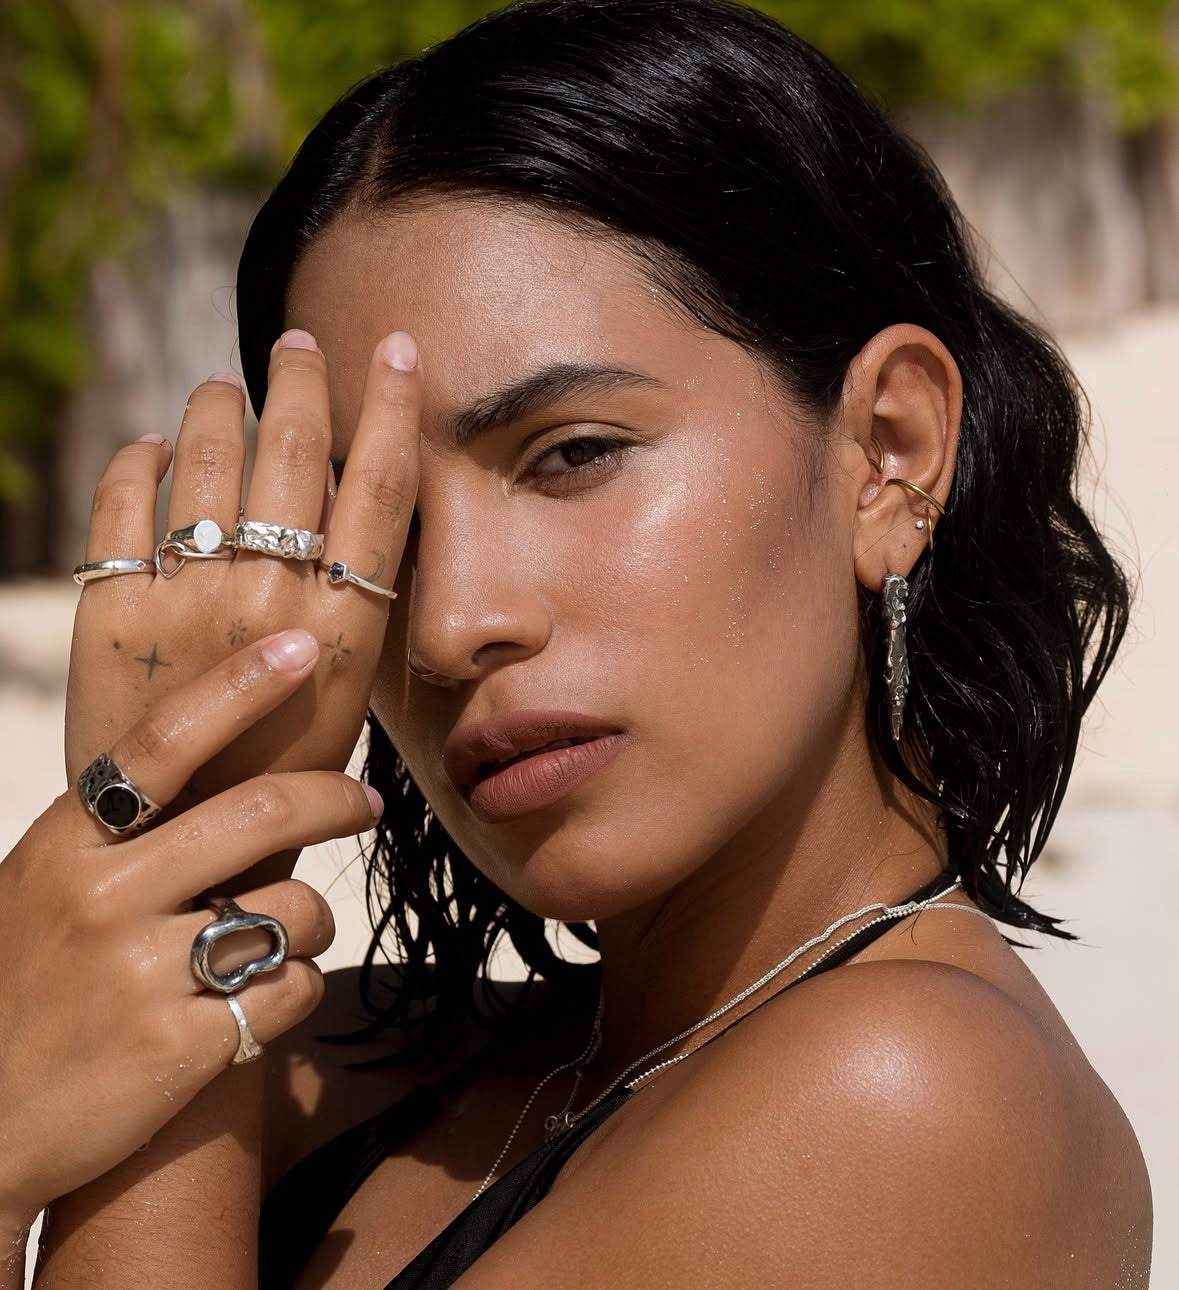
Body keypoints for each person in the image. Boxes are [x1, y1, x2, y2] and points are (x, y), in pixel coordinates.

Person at [0, 0, 1153, 1285]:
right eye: (382, 528)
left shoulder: (910, 1101)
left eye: (572, 455)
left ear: (889, 452)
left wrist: (194, 937)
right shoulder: (360, 1065)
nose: (448, 628)